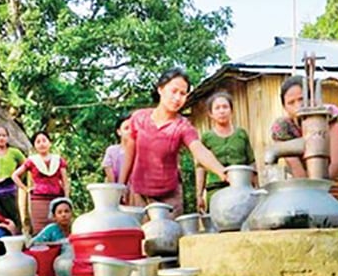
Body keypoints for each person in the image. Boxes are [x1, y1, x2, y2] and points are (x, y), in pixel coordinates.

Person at [119, 67, 228, 217]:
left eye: (183, 94)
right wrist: (120, 186)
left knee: (169, 236)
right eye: (174, 91)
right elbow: (129, 155)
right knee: (142, 238)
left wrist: (224, 173)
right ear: (161, 89)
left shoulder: (183, 126)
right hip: (139, 195)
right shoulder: (139, 118)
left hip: (169, 197)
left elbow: (199, 150)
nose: (177, 98)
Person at [271, 75, 338, 201]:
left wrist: (321, 188)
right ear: (284, 107)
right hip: (303, 177)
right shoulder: (282, 128)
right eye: (291, 103)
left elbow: (337, 160)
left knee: (331, 212)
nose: (298, 105)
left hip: (334, 173)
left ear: (311, 98)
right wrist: (311, 192)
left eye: (301, 99)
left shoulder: (329, 115)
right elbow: (296, 167)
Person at [194, 91, 256, 212]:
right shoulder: (207, 137)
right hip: (215, 190)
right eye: (217, 108)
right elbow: (201, 167)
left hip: (241, 189)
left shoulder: (241, 134)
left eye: (225, 107)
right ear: (210, 114)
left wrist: (256, 188)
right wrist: (199, 195)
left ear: (231, 111)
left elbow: (251, 162)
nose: (222, 111)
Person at [12, 130, 70, 234]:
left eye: (44, 140)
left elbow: (65, 181)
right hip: (38, 200)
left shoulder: (58, 160)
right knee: (40, 229)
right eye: (38, 141)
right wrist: (26, 189)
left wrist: (66, 198)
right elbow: (15, 175)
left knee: (60, 228)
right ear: (34, 146)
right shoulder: (32, 161)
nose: (42, 143)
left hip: (57, 198)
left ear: (49, 143)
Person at [103, 117, 132, 183]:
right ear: (119, 132)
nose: (130, 131)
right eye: (126, 128)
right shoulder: (112, 151)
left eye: (132, 128)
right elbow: (111, 179)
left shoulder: (141, 151)